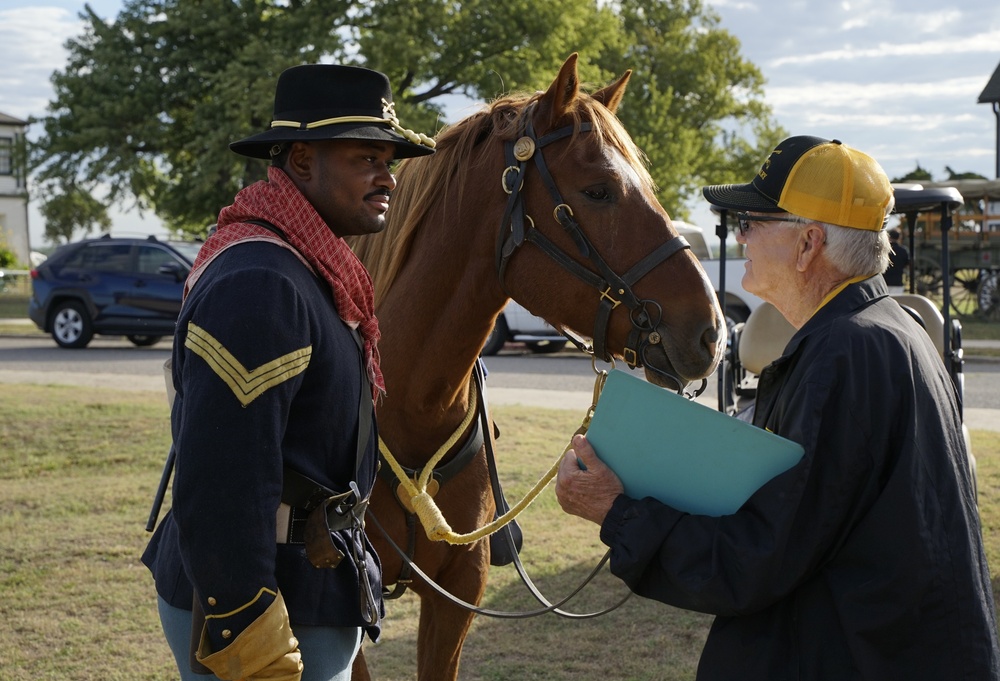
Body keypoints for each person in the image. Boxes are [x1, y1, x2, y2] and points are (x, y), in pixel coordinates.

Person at [555, 136, 1000, 679]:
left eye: (751, 221)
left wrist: (616, 509)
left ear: (809, 243)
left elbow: (760, 559)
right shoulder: (876, 331)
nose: (740, 236)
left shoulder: (849, 352)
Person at [142, 64, 434, 681]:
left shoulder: (308, 267)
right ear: (303, 161)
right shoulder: (263, 283)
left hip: (309, 575)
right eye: (367, 159)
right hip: (263, 598)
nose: (389, 178)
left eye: (391, 160)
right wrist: (242, 621)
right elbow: (222, 473)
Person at [884, 226, 910, 294]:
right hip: (897, 282)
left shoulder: (884, 250)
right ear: (899, 238)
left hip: (885, 282)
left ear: (889, 237)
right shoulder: (903, 250)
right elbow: (907, 265)